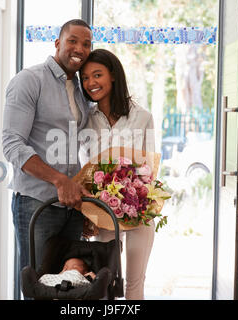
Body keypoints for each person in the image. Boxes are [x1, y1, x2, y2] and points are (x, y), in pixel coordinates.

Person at [2, 19, 94, 275]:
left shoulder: (80, 87)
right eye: (72, 41)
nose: (79, 49)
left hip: (73, 207)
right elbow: (11, 145)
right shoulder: (29, 81)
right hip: (36, 204)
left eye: (86, 44)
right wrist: (58, 179)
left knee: (70, 285)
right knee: (38, 284)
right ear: (57, 43)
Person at [79, 49, 156, 300]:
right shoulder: (86, 120)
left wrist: (137, 195)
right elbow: (84, 169)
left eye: (97, 75)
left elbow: (149, 168)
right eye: (85, 77)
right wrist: (88, 212)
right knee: (103, 285)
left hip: (138, 213)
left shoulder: (142, 116)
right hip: (102, 214)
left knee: (135, 286)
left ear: (113, 75)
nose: (91, 83)